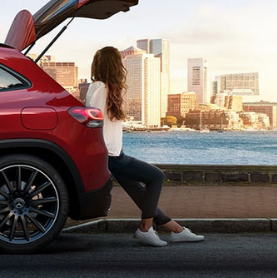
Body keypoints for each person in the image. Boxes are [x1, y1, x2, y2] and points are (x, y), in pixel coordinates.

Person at [86, 46, 205, 247]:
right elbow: (93, 121)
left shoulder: (106, 88)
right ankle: (145, 229)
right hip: (109, 155)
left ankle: (177, 230)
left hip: (113, 153)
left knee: (141, 194)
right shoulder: (100, 87)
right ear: (115, 65)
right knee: (156, 176)